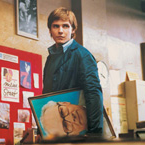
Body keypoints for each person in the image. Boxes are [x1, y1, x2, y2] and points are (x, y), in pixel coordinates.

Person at [42, 7, 103, 135]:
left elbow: (93, 94)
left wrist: (94, 133)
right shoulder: (50, 59)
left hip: (84, 132)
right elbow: (46, 95)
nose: (60, 31)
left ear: (73, 29)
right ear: (50, 30)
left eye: (65, 26)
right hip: (65, 135)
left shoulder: (83, 55)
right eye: (55, 26)